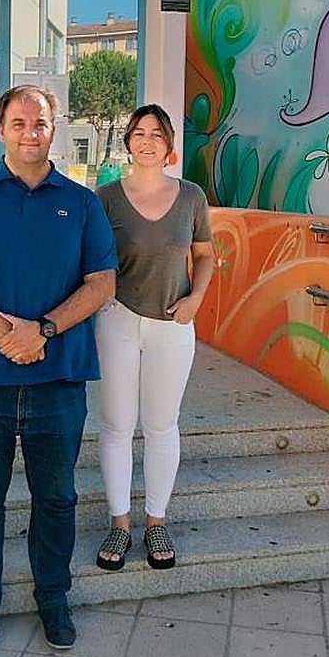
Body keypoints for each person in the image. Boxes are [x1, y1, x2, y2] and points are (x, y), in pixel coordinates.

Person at [0, 84, 116, 657]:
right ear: (1, 129)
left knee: (56, 499)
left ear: (54, 128)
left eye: (40, 123)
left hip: (57, 381)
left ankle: (52, 600)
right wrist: (5, 333)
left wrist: (44, 331)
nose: (31, 132)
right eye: (19, 123)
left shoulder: (82, 203)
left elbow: (102, 283)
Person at [93, 105, 215, 572]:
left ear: (169, 145)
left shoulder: (191, 198)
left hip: (174, 324)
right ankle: (120, 524)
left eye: (156, 134)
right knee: (118, 425)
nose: (146, 141)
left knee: (162, 425)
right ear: (128, 141)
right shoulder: (104, 198)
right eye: (138, 133)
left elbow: (204, 255)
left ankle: (156, 520)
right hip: (117, 319)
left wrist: (197, 298)